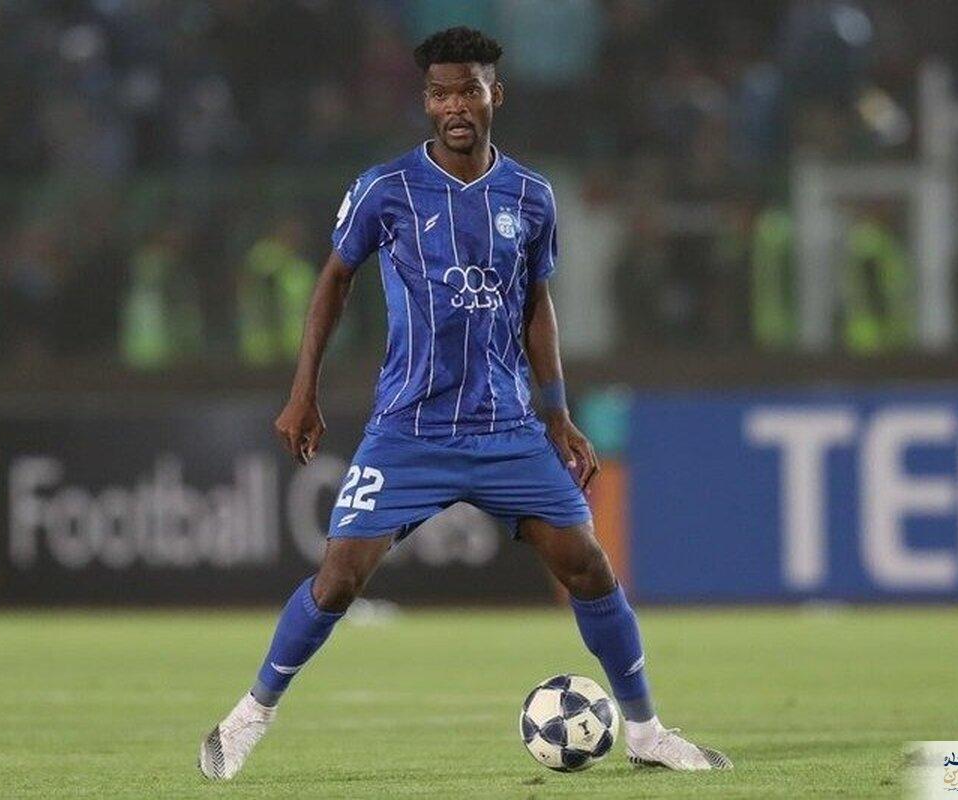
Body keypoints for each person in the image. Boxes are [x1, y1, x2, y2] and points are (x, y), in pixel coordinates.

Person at [199, 26, 731, 780]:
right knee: (339, 578)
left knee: (587, 567)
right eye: (441, 93)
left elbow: (536, 304)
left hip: (507, 428)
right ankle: (247, 719)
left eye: (468, 90)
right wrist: (303, 392)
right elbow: (334, 280)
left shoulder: (531, 196)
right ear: (427, 101)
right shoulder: (386, 188)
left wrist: (557, 413)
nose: (454, 105)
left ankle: (645, 731)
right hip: (409, 429)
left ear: (494, 96)